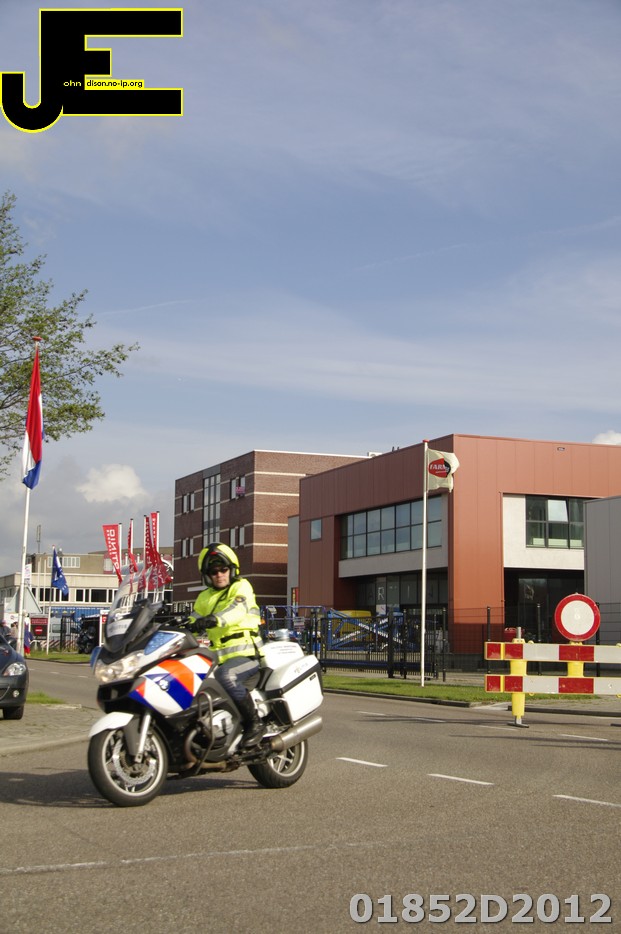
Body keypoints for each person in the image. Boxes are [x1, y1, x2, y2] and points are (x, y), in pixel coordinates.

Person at [187, 543, 265, 747]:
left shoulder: (241, 587)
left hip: (247, 657)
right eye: (214, 571)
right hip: (217, 659)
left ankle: (255, 723)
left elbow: (236, 610)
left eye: (223, 569)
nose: (219, 574)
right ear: (207, 575)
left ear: (232, 570)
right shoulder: (205, 597)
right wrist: (177, 625)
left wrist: (214, 619)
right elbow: (193, 619)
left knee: (226, 676)